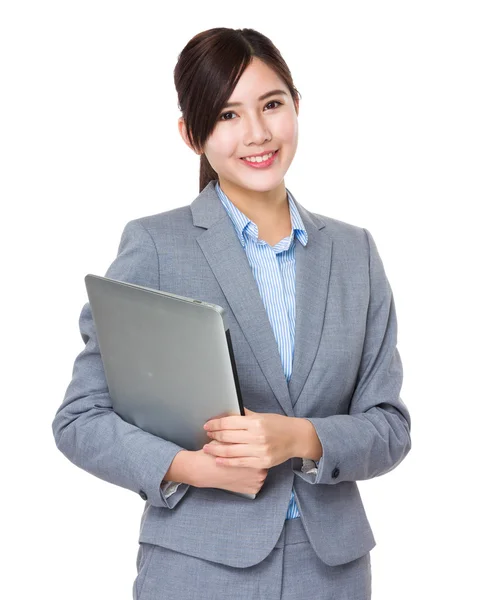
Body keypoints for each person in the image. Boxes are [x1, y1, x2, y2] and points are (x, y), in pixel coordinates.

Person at [52, 27, 411, 600]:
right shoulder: (156, 246)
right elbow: (81, 419)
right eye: (227, 115)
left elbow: (389, 427)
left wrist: (300, 437)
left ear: (298, 106)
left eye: (272, 105)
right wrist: (194, 468)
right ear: (192, 134)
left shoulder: (355, 253)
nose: (258, 133)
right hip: (199, 568)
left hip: (333, 573)